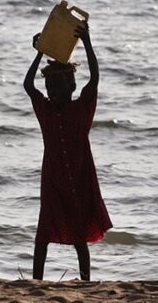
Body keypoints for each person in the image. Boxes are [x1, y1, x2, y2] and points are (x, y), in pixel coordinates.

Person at [23, 19, 111, 281]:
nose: (52, 92)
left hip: (79, 180)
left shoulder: (81, 110)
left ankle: (85, 281)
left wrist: (87, 42)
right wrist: (40, 52)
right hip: (53, 182)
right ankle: (36, 282)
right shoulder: (46, 111)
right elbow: (28, 86)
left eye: (58, 86)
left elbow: (94, 79)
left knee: (79, 237)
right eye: (49, 87)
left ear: (72, 86)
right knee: (42, 236)